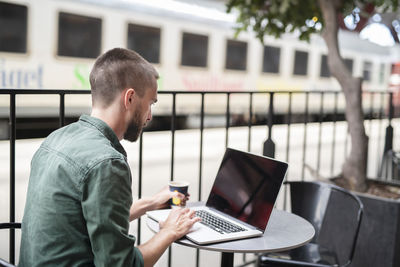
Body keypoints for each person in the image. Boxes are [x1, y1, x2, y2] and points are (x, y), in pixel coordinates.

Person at [19, 48, 201, 267]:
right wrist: (170, 232)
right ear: (131, 98)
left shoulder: (56, 139)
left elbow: (84, 220)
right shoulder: (107, 163)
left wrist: (149, 204)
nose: (150, 115)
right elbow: (120, 265)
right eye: (151, 103)